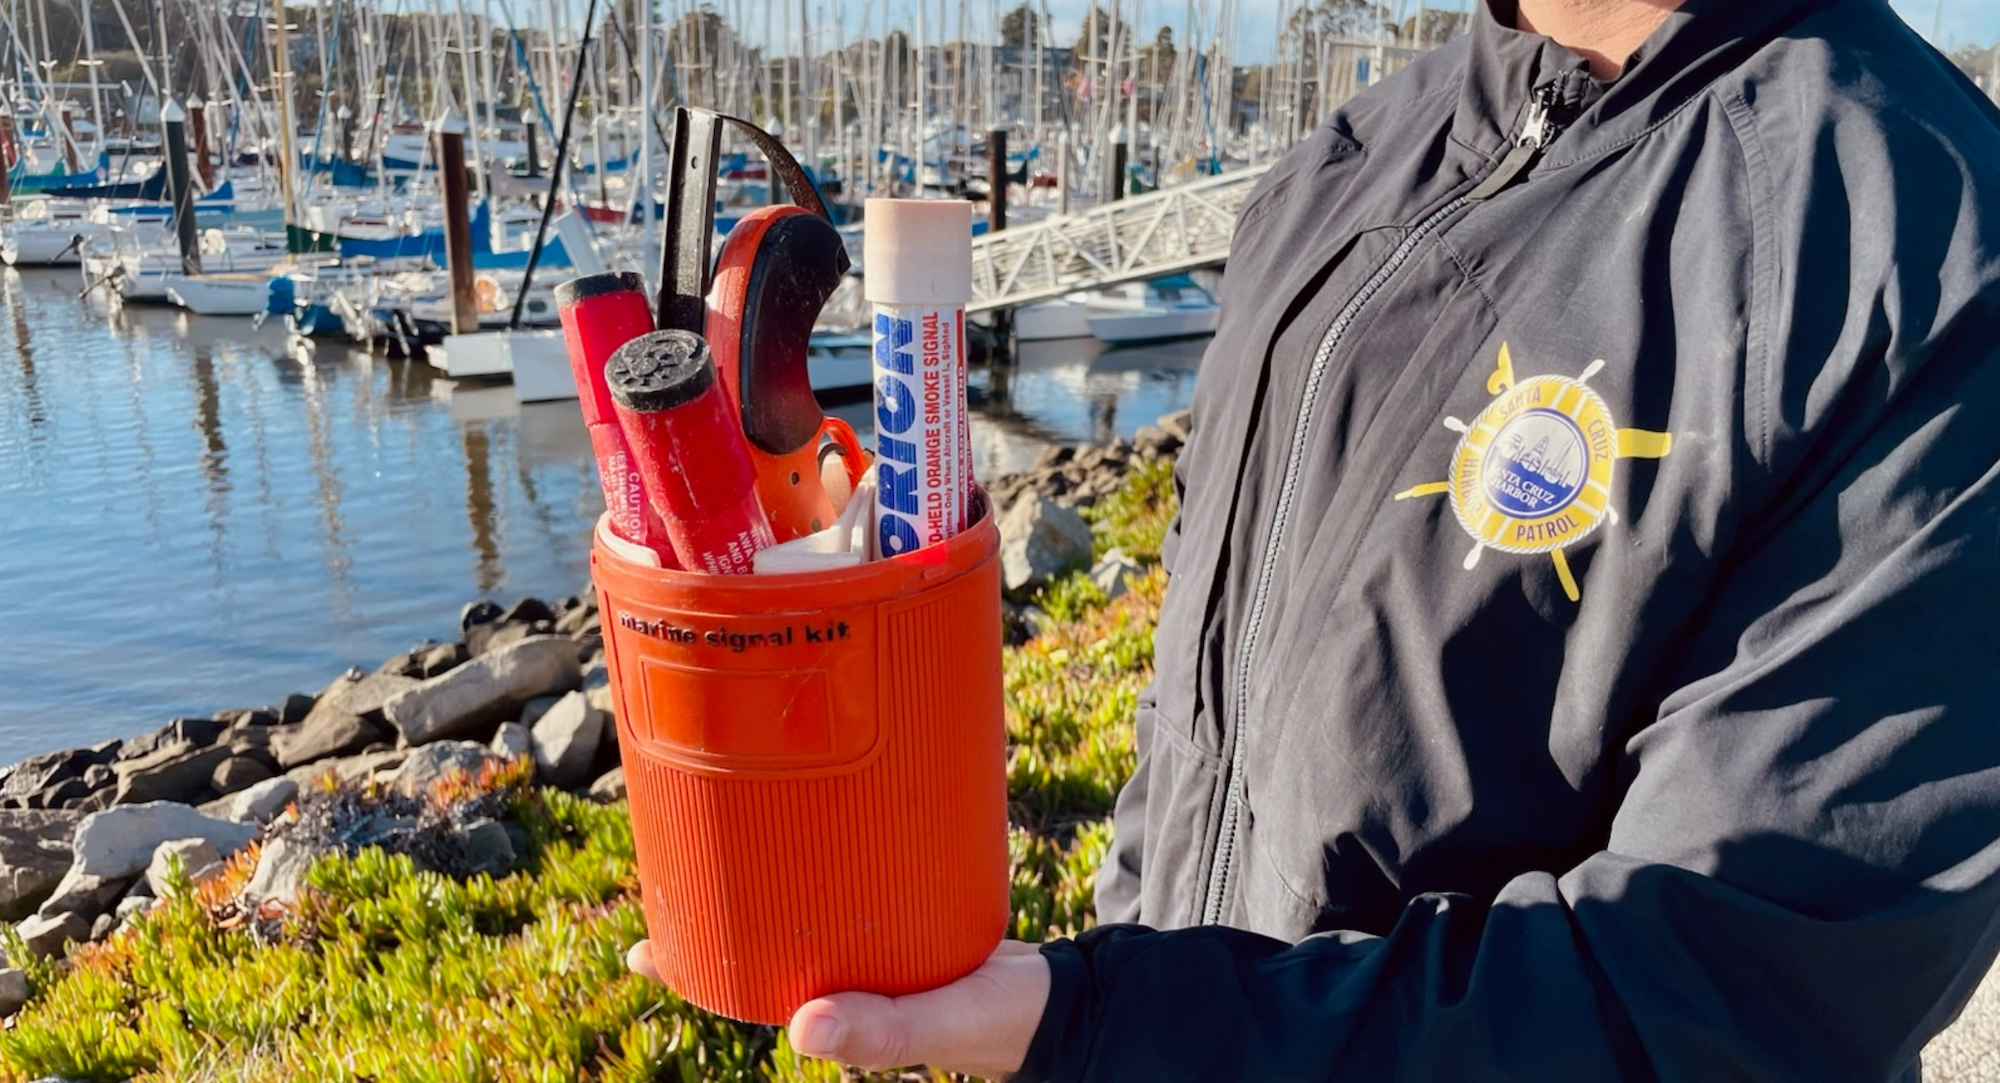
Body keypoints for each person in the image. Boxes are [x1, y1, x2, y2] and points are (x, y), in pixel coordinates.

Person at [628, 0, 2000, 1077]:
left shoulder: (1921, 255)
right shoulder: (1346, 163)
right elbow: (1194, 706)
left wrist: (1104, 1026)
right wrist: (1104, 994)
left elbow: (1730, 1000)